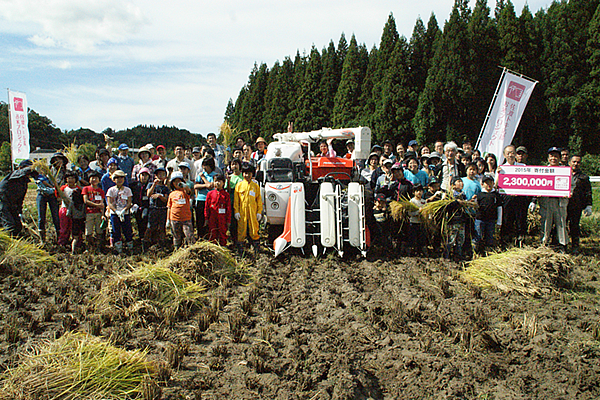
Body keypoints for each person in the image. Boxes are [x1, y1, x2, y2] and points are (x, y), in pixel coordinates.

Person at [531, 147, 569, 251]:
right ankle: (544, 245)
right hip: (546, 202)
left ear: (559, 158)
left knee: (561, 224)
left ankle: (563, 246)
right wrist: (535, 197)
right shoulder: (543, 171)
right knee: (545, 224)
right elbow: (536, 185)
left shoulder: (565, 171)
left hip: (559, 202)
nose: (553, 158)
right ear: (548, 158)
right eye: (551, 156)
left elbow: (572, 185)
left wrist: (569, 191)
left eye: (556, 156)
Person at [0, 162, 38, 236]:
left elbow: (20, 200)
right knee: (10, 226)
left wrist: (20, 212)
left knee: (18, 226)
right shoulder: (14, 175)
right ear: (20, 167)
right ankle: (6, 244)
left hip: (12, 205)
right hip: (3, 203)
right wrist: (35, 166)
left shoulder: (24, 184)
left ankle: (14, 241)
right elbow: (23, 171)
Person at [234, 163, 263, 252]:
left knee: (254, 228)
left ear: (252, 174)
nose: (247, 175)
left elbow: (258, 200)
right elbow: (236, 200)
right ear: (242, 173)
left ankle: (256, 248)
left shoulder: (255, 186)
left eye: (249, 173)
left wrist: (259, 212)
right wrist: (236, 211)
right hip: (242, 211)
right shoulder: (239, 185)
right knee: (241, 229)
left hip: (253, 212)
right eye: (245, 173)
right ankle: (241, 249)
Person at [567, 154, 593, 253]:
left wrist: (588, 205)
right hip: (563, 204)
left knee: (574, 226)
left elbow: (588, 192)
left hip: (576, 206)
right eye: (574, 162)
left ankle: (575, 246)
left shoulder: (584, 177)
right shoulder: (564, 173)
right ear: (569, 162)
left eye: (578, 162)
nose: (576, 164)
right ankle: (561, 245)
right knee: (560, 226)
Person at [106, 170, 134, 254]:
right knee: (116, 231)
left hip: (125, 213)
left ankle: (130, 248)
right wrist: (116, 211)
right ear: (114, 180)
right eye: (117, 178)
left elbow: (129, 202)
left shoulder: (127, 190)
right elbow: (109, 203)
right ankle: (118, 249)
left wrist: (124, 210)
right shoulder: (111, 190)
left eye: (121, 177)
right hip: (115, 214)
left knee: (128, 230)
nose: (120, 180)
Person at [58, 171, 85, 253]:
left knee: (76, 227)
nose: (70, 180)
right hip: (65, 209)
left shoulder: (79, 189)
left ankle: (77, 243)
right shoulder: (63, 188)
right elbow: (58, 197)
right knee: (64, 227)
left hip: (76, 211)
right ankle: (63, 243)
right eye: (69, 178)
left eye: (72, 178)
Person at [474, 175, 502, 253]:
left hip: (491, 220)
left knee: (489, 237)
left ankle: (488, 252)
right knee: (478, 237)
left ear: (493, 183)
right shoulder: (479, 195)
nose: (488, 184)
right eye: (486, 183)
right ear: (482, 184)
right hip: (480, 219)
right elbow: (475, 206)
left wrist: (499, 222)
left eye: (490, 182)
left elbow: (499, 208)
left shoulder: (496, 195)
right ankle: (477, 253)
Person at [167, 171, 195, 249]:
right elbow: (169, 207)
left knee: (189, 235)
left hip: (185, 218)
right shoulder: (171, 194)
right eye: (175, 181)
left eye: (179, 181)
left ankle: (192, 250)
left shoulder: (185, 192)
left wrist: (184, 185)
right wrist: (168, 220)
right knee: (176, 236)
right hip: (174, 219)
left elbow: (189, 191)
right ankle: (177, 249)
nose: (177, 183)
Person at [82, 171, 106, 252]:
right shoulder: (86, 189)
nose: (94, 179)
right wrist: (96, 205)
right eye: (92, 178)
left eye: (96, 178)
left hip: (98, 213)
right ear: (89, 180)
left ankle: (98, 248)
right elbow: (86, 201)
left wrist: (103, 214)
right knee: (88, 232)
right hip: (89, 213)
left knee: (99, 232)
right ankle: (89, 248)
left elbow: (102, 204)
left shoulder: (101, 191)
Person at [146, 167, 170, 248]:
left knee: (162, 227)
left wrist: (159, 196)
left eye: (163, 174)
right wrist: (154, 184)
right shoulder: (150, 184)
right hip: (153, 209)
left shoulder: (165, 188)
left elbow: (166, 200)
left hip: (162, 209)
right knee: (150, 227)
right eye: (159, 174)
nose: (160, 176)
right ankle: (147, 243)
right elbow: (148, 194)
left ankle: (162, 244)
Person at [204, 174, 231, 246]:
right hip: (212, 217)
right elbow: (206, 206)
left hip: (222, 218)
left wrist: (228, 220)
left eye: (219, 181)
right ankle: (213, 248)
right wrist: (206, 218)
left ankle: (223, 247)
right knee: (212, 233)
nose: (217, 183)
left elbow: (228, 208)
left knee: (222, 233)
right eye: (215, 181)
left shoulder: (226, 195)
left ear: (223, 183)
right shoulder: (210, 194)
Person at [194, 157, 218, 239]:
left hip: (210, 201)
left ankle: (209, 237)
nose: (204, 168)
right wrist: (204, 185)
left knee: (209, 220)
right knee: (200, 220)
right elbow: (196, 186)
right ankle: (200, 236)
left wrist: (203, 178)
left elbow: (210, 186)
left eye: (206, 166)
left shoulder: (214, 175)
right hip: (200, 199)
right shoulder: (200, 174)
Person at [35, 171, 60, 243]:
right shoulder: (38, 175)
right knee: (41, 217)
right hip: (42, 194)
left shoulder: (55, 173)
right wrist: (53, 187)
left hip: (52, 196)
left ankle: (59, 238)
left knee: (56, 216)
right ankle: (42, 240)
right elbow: (43, 182)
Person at [130, 167, 152, 240]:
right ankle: (140, 236)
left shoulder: (150, 185)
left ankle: (146, 236)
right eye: (142, 175)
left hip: (146, 206)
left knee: (144, 217)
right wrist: (132, 203)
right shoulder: (134, 185)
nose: (144, 177)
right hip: (136, 206)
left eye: (146, 175)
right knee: (138, 220)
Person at [409, 184, 427, 256]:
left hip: (421, 222)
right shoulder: (412, 201)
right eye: (417, 191)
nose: (419, 192)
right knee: (413, 238)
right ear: (413, 192)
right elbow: (410, 213)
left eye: (420, 191)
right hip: (413, 222)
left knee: (421, 238)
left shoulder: (424, 201)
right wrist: (418, 212)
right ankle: (413, 251)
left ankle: (420, 251)